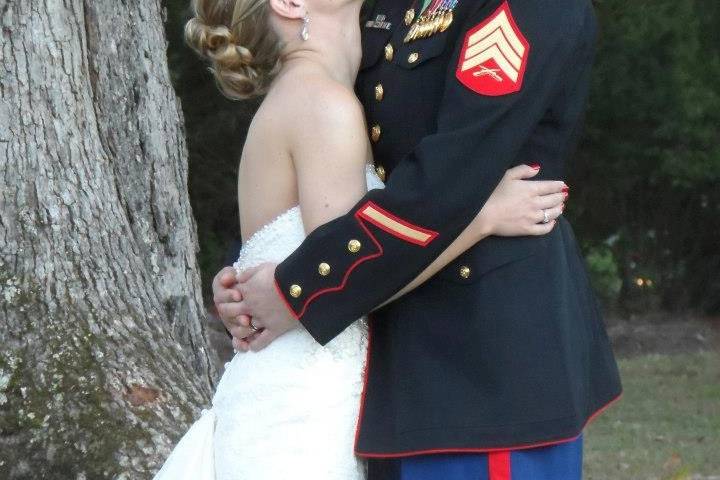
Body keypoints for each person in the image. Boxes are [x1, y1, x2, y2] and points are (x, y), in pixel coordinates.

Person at [153, 0, 569, 479]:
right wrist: (484, 215)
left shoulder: (318, 89)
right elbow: (359, 271)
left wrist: (263, 283)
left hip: (337, 390)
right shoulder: (323, 102)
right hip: (306, 408)